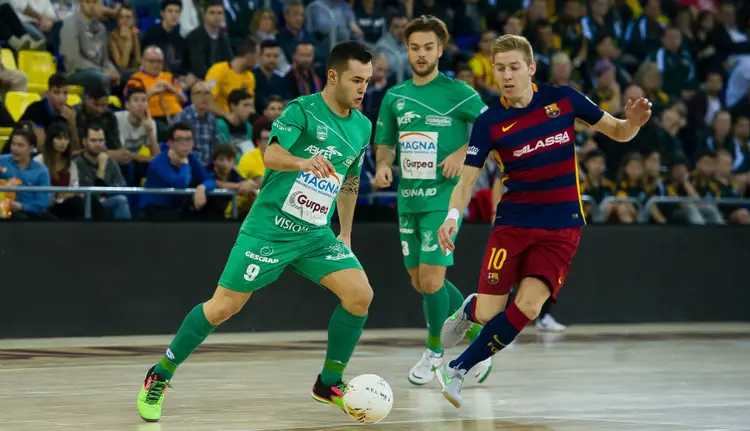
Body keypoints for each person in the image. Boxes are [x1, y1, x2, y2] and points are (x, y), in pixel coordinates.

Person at [136, 41, 375, 422]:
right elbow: (271, 155)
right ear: (333, 77)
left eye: (368, 81)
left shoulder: (362, 126)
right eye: (357, 80)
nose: (363, 88)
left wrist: (344, 232)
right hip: (269, 230)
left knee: (360, 295)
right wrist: (303, 162)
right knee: (222, 308)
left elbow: (349, 180)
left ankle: (328, 382)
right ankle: (160, 374)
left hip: (315, 235)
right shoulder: (302, 110)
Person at [433, 34, 652, 408]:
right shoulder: (490, 122)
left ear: (531, 68)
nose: (506, 75)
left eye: (514, 67)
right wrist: (452, 216)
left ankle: (459, 368)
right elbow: (467, 180)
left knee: (530, 307)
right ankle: (471, 309)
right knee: (489, 313)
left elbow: (617, 130)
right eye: (499, 68)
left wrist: (632, 124)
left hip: (562, 224)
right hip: (513, 225)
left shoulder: (563, 99)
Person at [371, 16, 489, 386]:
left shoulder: (459, 92)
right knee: (421, 282)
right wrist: (383, 166)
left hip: (444, 198)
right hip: (409, 200)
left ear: (440, 49)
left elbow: (492, 128)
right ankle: (477, 340)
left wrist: (463, 152)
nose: (421, 54)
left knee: (432, 280)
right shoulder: (395, 96)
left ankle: (435, 354)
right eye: (414, 47)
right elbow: (385, 142)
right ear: (407, 50)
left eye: (428, 47)